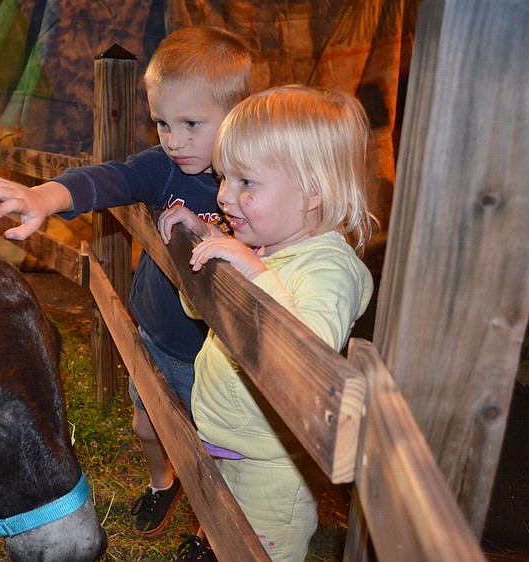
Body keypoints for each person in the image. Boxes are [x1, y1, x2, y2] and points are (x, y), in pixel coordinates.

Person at [0, 26, 254, 539]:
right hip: (154, 334)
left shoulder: (256, 185)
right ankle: (160, 482)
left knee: (214, 454)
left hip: (214, 359)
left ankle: (209, 534)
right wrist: (42, 198)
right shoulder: (164, 168)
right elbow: (107, 179)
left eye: (192, 123)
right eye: (162, 124)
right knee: (146, 426)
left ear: (239, 115)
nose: (174, 140)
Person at [158, 84, 375, 561]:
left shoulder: (326, 268)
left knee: (259, 550)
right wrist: (206, 246)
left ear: (313, 191)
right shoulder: (267, 244)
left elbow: (307, 350)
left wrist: (252, 272)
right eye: (223, 178)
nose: (224, 196)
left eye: (246, 183)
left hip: (273, 469)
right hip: (226, 442)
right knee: (223, 525)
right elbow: (204, 311)